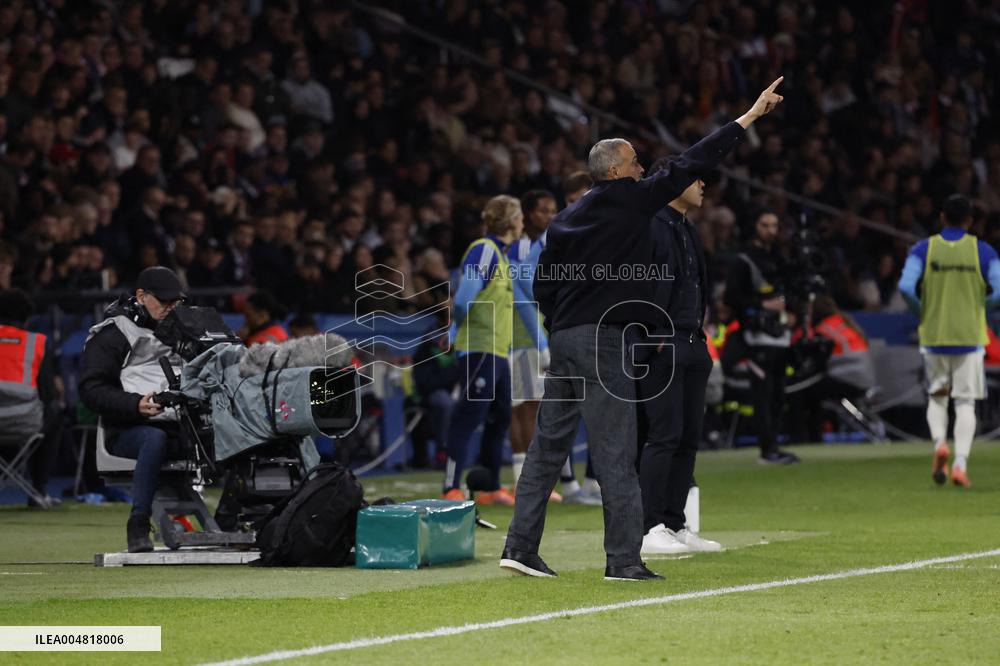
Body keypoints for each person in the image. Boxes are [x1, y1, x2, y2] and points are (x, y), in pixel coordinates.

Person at [502, 78, 784, 582]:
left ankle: (520, 547)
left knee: (547, 449)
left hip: (565, 337)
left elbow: (544, 283)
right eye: (635, 163)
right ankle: (624, 560)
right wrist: (748, 118)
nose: (642, 169)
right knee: (616, 450)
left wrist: (557, 324)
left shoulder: (565, 220)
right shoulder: (627, 200)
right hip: (603, 339)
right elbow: (689, 162)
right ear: (615, 171)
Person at [636, 158, 723, 555]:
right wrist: (649, 335)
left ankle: (675, 522)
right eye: (694, 177)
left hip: (690, 339)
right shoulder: (650, 226)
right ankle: (649, 526)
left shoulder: (686, 229)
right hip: (663, 342)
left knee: (687, 438)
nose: (702, 183)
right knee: (663, 436)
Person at [79, 266, 187, 552]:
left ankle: (233, 518)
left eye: (175, 303)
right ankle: (138, 523)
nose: (170, 308)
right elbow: (90, 391)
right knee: (154, 439)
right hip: (127, 429)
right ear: (141, 296)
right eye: (163, 301)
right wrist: (134, 405)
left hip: (180, 424)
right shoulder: (113, 333)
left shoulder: (182, 330)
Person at [897, 194, 1000, 488]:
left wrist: (922, 310)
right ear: (970, 221)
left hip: (934, 336)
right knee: (966, 403)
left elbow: (905, 287)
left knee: (937, 398)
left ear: (942, 217)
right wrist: (982, 308)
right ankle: (960, 464)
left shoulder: (923, 249)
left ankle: (940, 444)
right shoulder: (983, 251)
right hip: (969, 337)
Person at [442, 195, 535, 505]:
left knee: (500, 417)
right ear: (510, 220)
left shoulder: (501, 256)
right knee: (468, 417)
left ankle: (491, 486)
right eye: (520, 216)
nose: (523, 222)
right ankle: (450, 486)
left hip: (497, 352)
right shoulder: (484, 251)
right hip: (479, 349)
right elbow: (463, 297)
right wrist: (455, 330)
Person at [724, 210, 800, 464]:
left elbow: (788, 294)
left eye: (775, 225)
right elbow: (731, 298)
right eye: (765, 224)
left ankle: (774, 447)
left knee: (778, 394)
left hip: (780, 337)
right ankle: (767, 450)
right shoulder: (743, 260)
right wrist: (763, 305)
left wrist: (791, 313)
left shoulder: (779, 259)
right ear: (755, 226)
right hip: (756, 337)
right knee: (763, 395)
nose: (771, 230)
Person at [508, 190, 555, 496]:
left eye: (553, 210)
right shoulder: (519, 247)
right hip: (519, 336)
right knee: (523, 409)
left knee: (536, 406)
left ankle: (531, 481)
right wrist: (541, 342)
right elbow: (521, 292)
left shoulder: (546, 244)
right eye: (542, 211)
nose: (549, 216)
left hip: (538, 333)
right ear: (527, 214)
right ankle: (522, 481)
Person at [0, 289, 61, 507]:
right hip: (24, 425)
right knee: (56, 412)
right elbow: (48, 394)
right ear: (27, 318)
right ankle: (38, 490)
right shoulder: (36, 342)